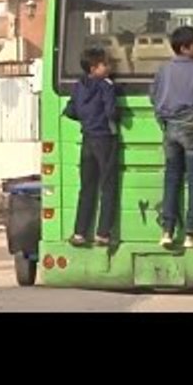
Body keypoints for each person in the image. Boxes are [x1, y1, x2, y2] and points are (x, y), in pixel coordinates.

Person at [149, 26, 193, 251]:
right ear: (185, 48)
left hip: (168, 127)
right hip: (190, 127)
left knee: (171, 179)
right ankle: (190, 234)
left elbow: (152, 95)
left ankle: (167, 231)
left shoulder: (163, 69)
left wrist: (164, 113)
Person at [64, 47, 120, 248]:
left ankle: (79, 233)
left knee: (87, 187)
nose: (109, 67)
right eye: (105, 64)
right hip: (104, 139)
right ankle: (103, 233)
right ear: (94, 68)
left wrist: (87, 119)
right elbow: (111, 112)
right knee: (108, 186)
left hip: (87, 138)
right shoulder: (106, 85)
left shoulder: (79, 85)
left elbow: (70, 110)